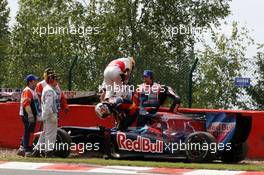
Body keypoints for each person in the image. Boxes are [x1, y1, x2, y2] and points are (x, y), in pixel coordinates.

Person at [32, 72, 60, 157]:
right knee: (51, 134)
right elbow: (48, 106)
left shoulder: (48, 89)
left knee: (45, 133)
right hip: (50, 115)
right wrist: (52, 115)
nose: (57, 82)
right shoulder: (49, 90)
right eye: (56, 80)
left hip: (47, 114)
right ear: (52, 80)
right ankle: (49, 152)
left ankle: (36, 151)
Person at [17, 74, 40, 157]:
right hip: (26, 114)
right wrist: (30, 115)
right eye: (35, 81)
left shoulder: (32, 90)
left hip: (30, 114)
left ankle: (22, 148)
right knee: (28, 131)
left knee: (28, 131)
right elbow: (26, 104)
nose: (36, 82)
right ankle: (26, 150)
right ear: (30, 82)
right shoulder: (27, 91)